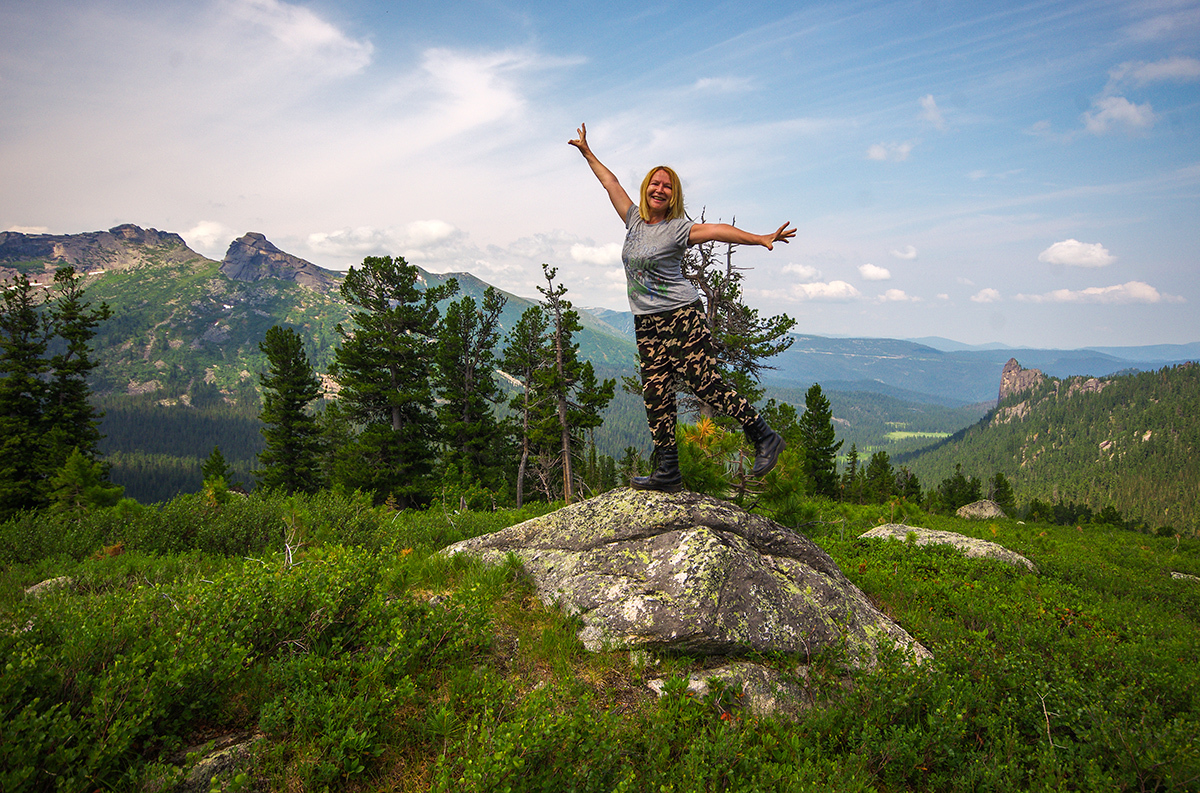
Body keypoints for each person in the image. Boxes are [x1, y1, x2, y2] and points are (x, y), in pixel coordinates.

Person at [568, 122, 795, 492]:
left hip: (681, 318)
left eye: (667, 185)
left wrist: (761, 238)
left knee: (704, 385)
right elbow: (611, 184)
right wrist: (588, 153)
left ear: (674, 195)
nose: (660, 189)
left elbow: (720, 230)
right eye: (654, 184)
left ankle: (764, 435)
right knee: (656, 393)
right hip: (646, 323)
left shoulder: (678, 228)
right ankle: (668, 471)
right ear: (646, 190)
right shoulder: (634, 220)